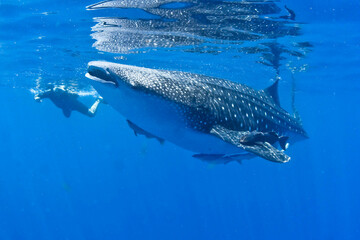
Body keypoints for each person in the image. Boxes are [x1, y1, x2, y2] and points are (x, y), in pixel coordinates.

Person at [34, 86, 102, 118]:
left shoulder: (66, 93)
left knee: (91, 114)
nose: (58, 91)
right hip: (72, 105)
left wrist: (37, 98)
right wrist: (37, 98)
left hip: (73, 104)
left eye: (60, 90)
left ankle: (98, 100)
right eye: (57, 91)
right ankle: (98, 100)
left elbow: (77, 95)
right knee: (91, 114)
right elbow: (37, 95)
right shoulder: (50, 93)